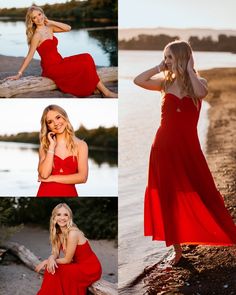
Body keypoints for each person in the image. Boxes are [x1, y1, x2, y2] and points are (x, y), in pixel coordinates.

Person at [134, 40, 236, 265]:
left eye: (170, 57)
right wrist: (159, 67)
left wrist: (189, 69)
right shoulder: (164, 84)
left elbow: (200, 92)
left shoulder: (199, 82)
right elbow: (138, 80)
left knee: (202, 189)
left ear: (183, 57)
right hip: (163, 146)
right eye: (165, 57)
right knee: (169, 196)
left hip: (189, 146)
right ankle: (177, 249)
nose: (167, 61)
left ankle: (215, 231)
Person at [7, 5, 117, 98]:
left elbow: (68, 28)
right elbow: (30, 55)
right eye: (35, 18)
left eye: (39, 15)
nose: (38, 18)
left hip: (60, 61)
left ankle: (96, 88)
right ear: (32, 21)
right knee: (84, 64)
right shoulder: (37, 35)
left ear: (43, 14)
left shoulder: (49, 27)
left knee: (87, 57)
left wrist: (50, 21)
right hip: (51, 68)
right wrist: (19, 74)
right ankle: (106, 92)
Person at [35, 203, 102, 295]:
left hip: (89, 268)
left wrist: (47, 261)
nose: (62, 218)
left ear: (70, 217)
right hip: (77, 265)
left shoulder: (73, 233)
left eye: (65, 215)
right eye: (59, 214)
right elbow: (55, 253)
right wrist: (51, 259)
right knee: (52, 269)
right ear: (54, 217)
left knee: (53, 269)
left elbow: (67, 260)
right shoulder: (58, 233)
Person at [37, 104, 88, 197]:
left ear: (65, 117)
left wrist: (52, 178)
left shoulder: (81, 145)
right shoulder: (45, 146)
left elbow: (82, 178)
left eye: (58, 117)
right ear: (48, 126)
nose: (56, 123)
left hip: (69, 193)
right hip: (45, 192)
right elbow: (44, 175)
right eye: (50, 122)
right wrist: (51, 147)